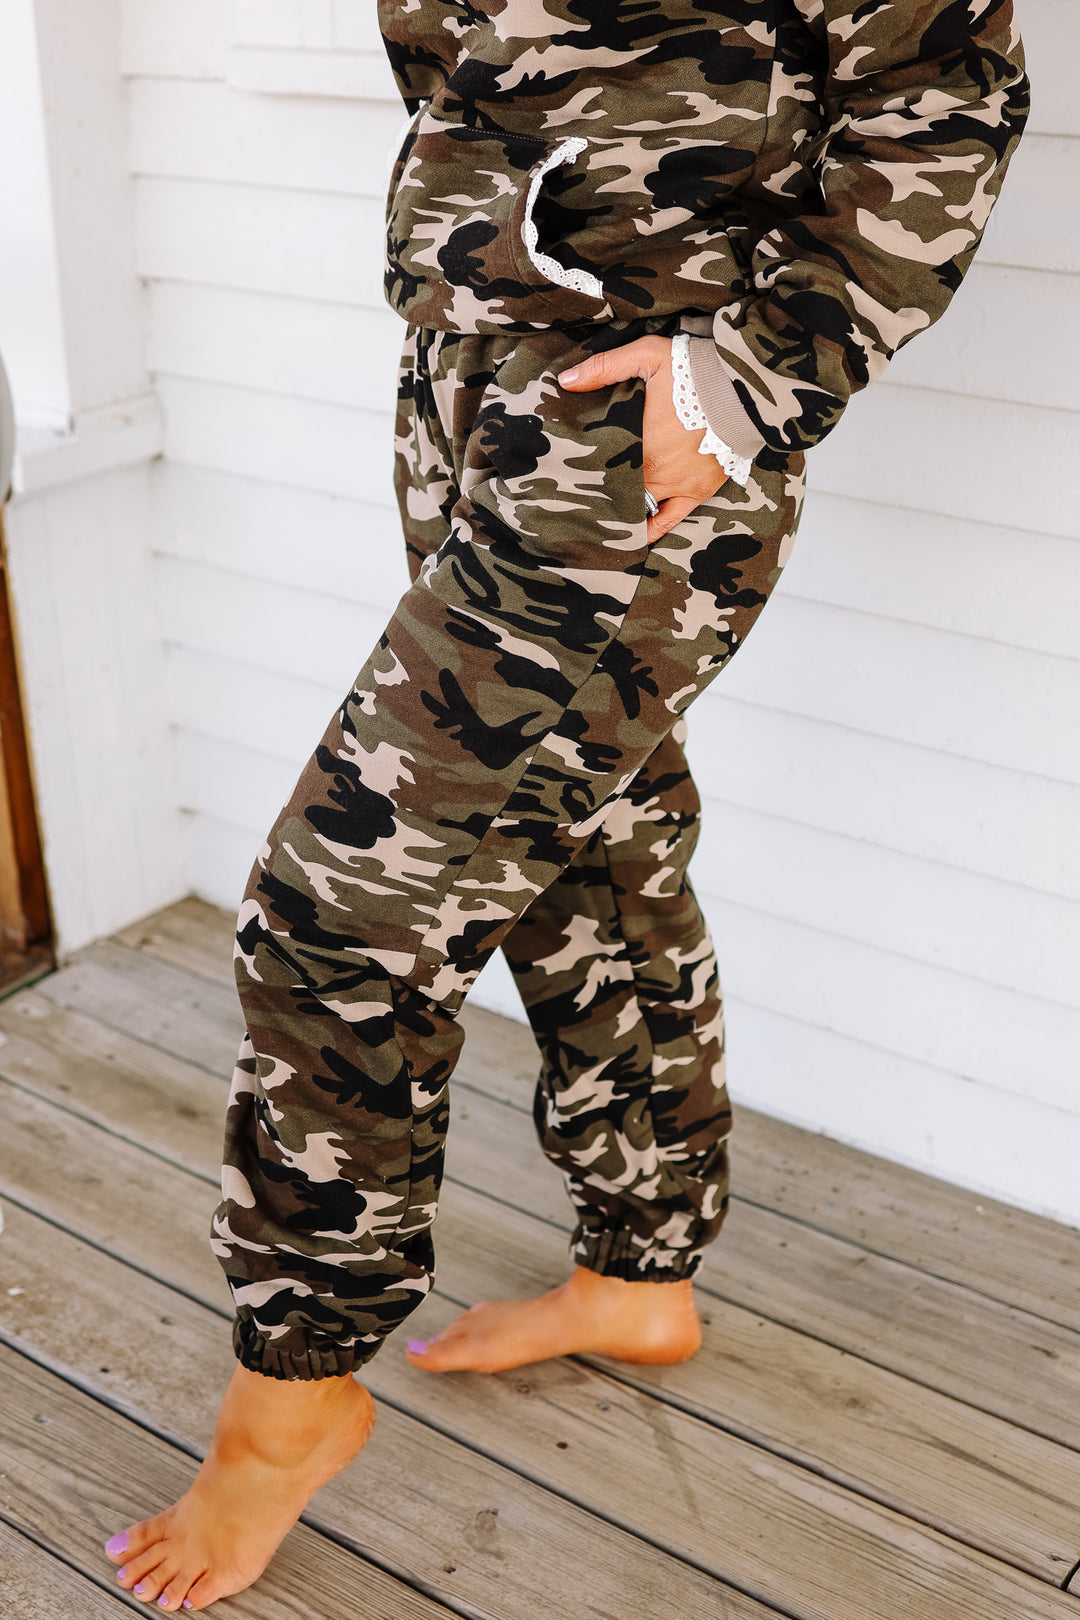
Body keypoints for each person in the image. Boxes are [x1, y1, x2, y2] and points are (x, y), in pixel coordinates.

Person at [105, 0, 1029, 1609]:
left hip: (634, 419)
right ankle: (639, 1273)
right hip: (472, 378)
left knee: (343, 915)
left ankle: (294, 1394)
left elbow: (939, 94)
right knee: (587, 851)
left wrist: (745, 375)